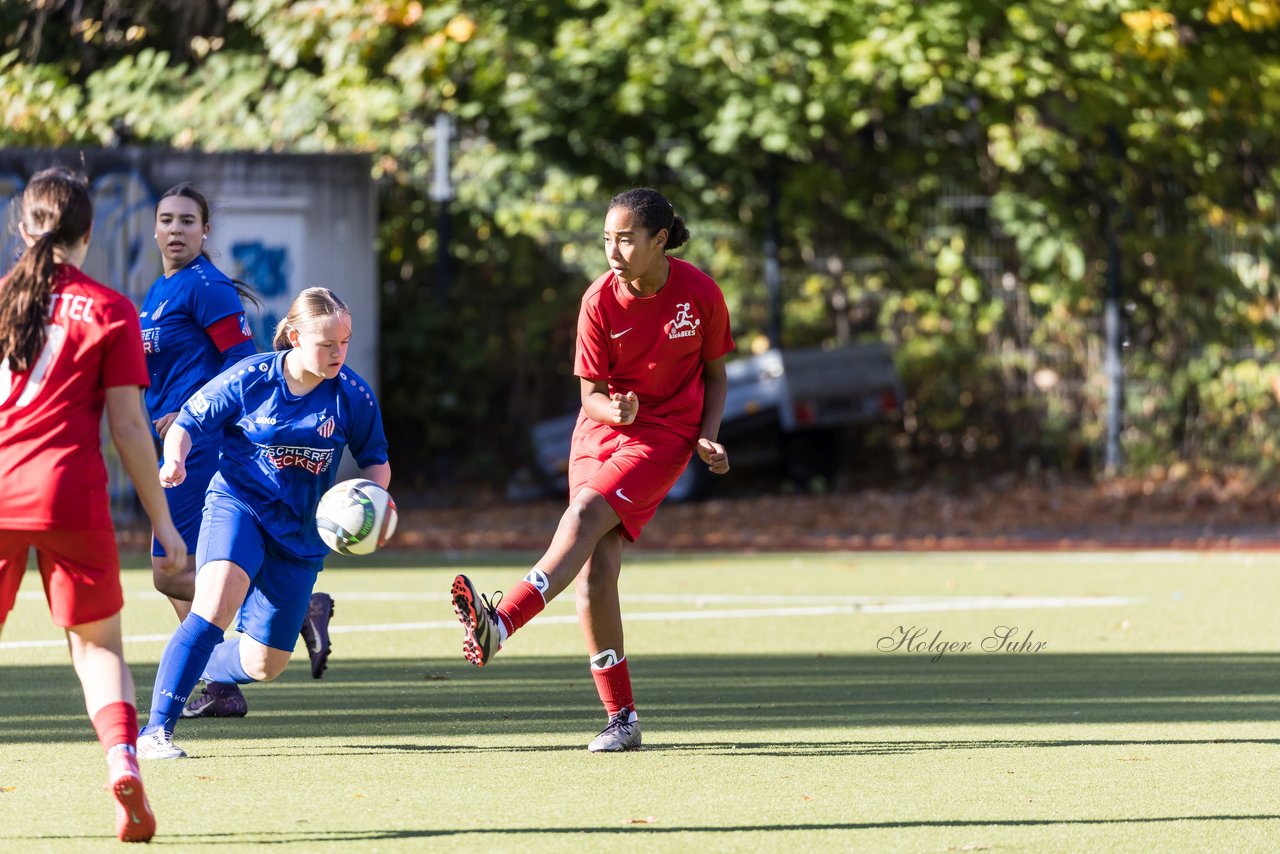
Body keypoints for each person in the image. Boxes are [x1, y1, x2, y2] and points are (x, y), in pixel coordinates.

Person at [451, 188, 733, 751]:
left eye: (626, 238)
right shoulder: (598, 301)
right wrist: (615, 409)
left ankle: (501, 622)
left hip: (664, 437)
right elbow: (590, 397)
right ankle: (622, 718)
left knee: (583, 512)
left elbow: (716, 373)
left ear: (659, 240)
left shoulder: (700, 292)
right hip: (599, 434)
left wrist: (708, 434)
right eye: (607, 238)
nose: (613, 249)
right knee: (595, 575)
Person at [0, 166, 189, 842]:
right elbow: (130, 428)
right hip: (68, 495)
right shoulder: (111, 309)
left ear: (24, 228)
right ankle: (121, 762)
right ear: (88, 234)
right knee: (98, 645)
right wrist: (163, 522)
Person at [137, 287, 390, 760]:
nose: (338, 353)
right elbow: (189, 420)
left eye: (346, 342)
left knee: (263, 664)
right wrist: (174, 459)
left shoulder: (353, 395)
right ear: (294, 337)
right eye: (327, 343)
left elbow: (376, 461)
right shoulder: (252, 377)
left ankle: (209, 660)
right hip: (240, 506)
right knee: (212, 608)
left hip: (301, 535)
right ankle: (155, 731)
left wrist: (374, 503)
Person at [140, 184, 337, 721]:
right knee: (173, 572)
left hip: (202, 446)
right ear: (154, 229)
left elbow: (243, 364)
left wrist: (188, 412)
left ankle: (284, 610)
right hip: (177, 443)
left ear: (205, 232)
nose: (175, 229)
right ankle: (223, 681)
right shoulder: (161, 289)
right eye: (166, 219)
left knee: (174, 569)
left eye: (187, 221)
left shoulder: (208, 287)